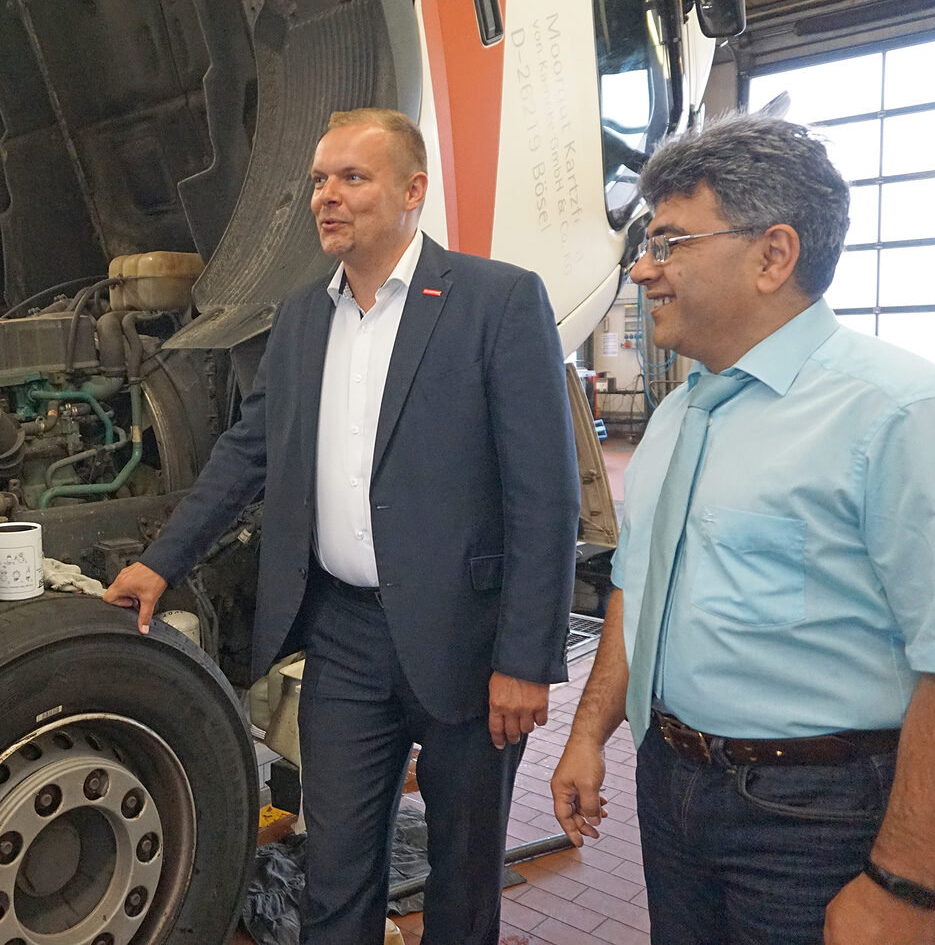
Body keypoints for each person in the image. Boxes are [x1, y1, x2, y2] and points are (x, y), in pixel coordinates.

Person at [104, 108, 580, 945]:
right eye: (320, 179)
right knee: (336, 870)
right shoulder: (301, 318)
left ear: (412, 191)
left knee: (465, 876)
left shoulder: (496, 301)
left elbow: (546, 496)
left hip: (468, 642)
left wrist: (525, 659)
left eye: (352, 178)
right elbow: (246, 452)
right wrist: (161, 562)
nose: (327, 196)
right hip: (346, 636)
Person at [548, 113, 935, 945]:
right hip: (674, 787)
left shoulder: (897, 413)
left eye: (672, 243)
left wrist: (905, 883)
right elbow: (635, 588)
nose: (645, 269)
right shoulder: (679, 415)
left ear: (773, 255)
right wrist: (589, 737)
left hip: (816, 817)